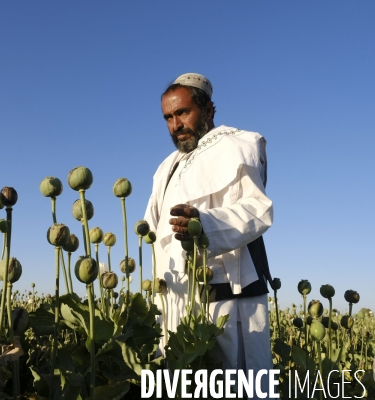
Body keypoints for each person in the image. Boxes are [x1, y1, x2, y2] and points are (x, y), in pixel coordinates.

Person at [144, 73, 274, 395]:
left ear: (208, 110)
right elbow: (154, 231)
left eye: (183, 113)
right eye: (168, 117)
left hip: (228, 297)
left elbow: (257, 209)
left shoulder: (237, 144)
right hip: (175, 299)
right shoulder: (166, 168)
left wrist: (204, 225)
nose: (176, 124)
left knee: (237, 385)